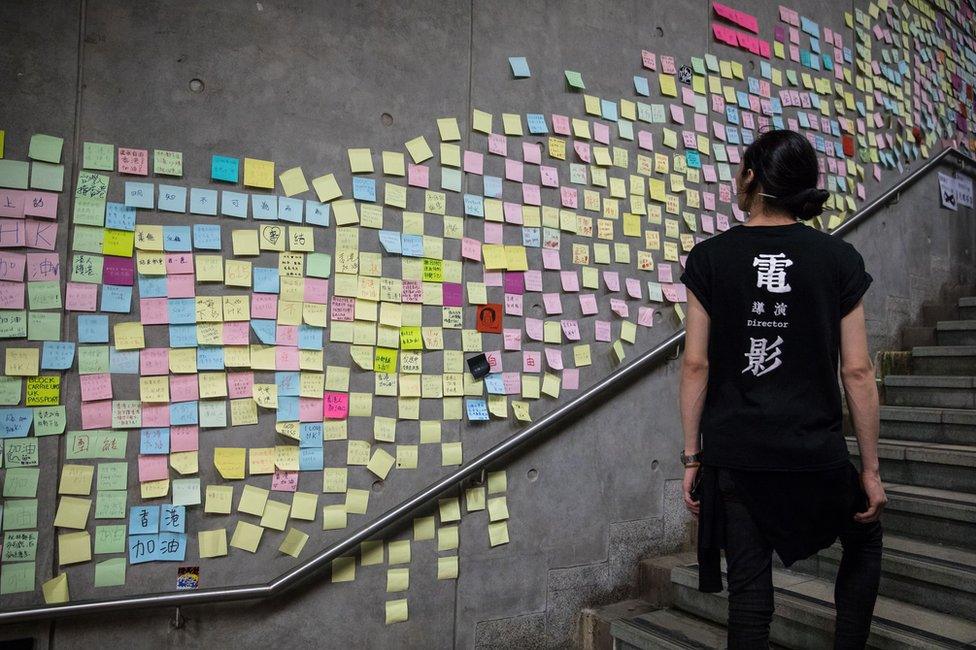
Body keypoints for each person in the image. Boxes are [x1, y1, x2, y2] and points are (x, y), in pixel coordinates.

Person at [677, 129, 887, 649]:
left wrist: (691, 458)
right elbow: (857, 371)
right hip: (813, 454)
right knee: (865, 535)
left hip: (738, 455)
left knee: (749, 594)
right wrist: (870, 471)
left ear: (751, 177)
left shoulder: (710, 259)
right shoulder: (837, 260)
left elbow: (696, 364)